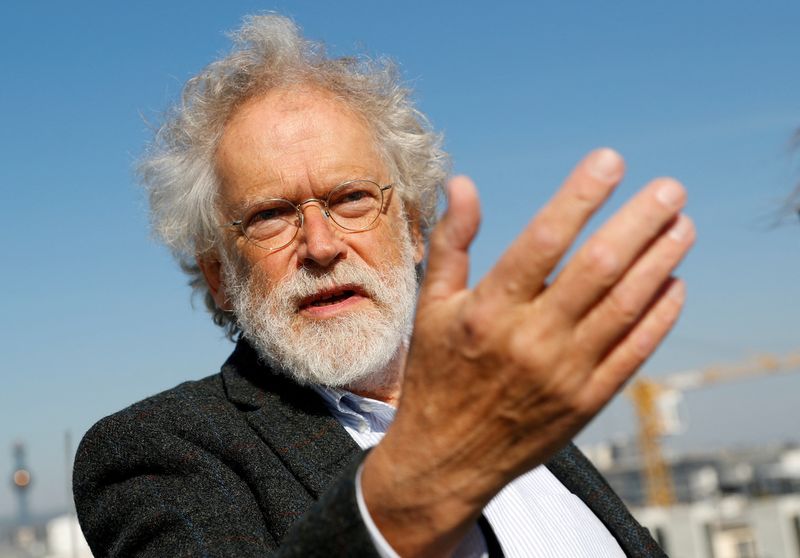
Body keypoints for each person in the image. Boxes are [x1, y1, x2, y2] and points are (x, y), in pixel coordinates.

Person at [73, 14, 694, 558]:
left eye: (351, 198)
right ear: (219, 277)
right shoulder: (154, 454)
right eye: (269, 216)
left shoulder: (512, 415)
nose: (320, 245)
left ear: (415, 230)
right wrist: (426, 481)